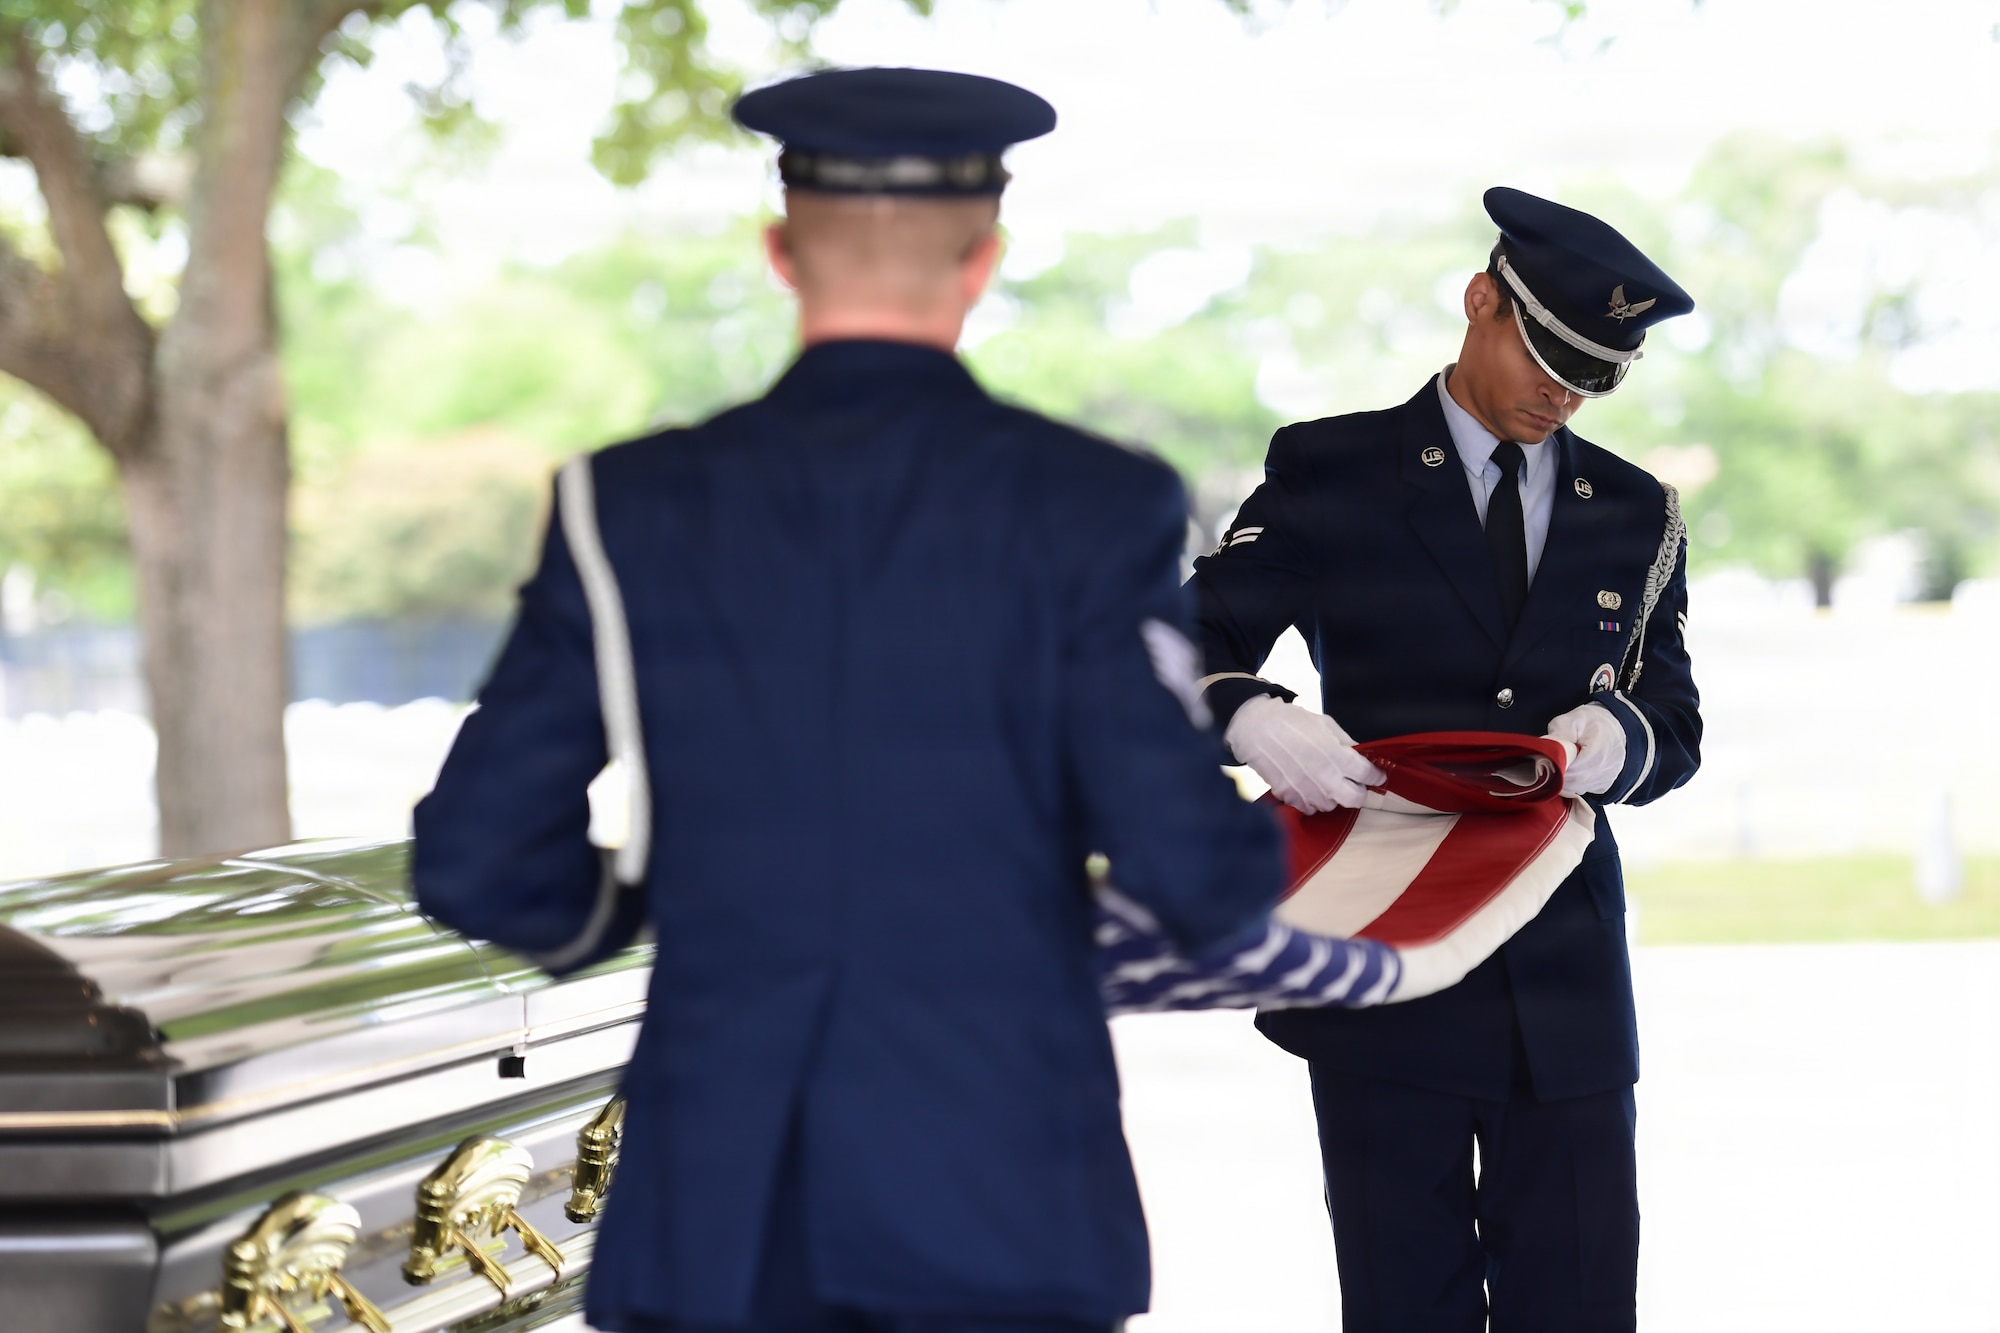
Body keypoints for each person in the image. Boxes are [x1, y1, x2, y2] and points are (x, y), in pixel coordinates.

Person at [412, 67, 1286, 1333]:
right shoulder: (1095, 502)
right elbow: (1192, 872)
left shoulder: (629, 502)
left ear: (781, 253)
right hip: (1001, 1188)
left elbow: (477, 859)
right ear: (981, 259)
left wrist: (655, 898)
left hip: (719, 1206)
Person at [1188, 187, 1703, 1332]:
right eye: (1547, 354)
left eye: (1594, 372)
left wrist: (1620, 742)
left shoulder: (1630, 509)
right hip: (1387, 947)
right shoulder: (1334, 470)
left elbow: (1675, 722)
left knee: (1576, 1300)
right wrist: (1248, 713)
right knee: (1401, 1298)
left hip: (1559, 960)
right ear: (1480, 301)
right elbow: (1187, 637)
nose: (1561, 392)